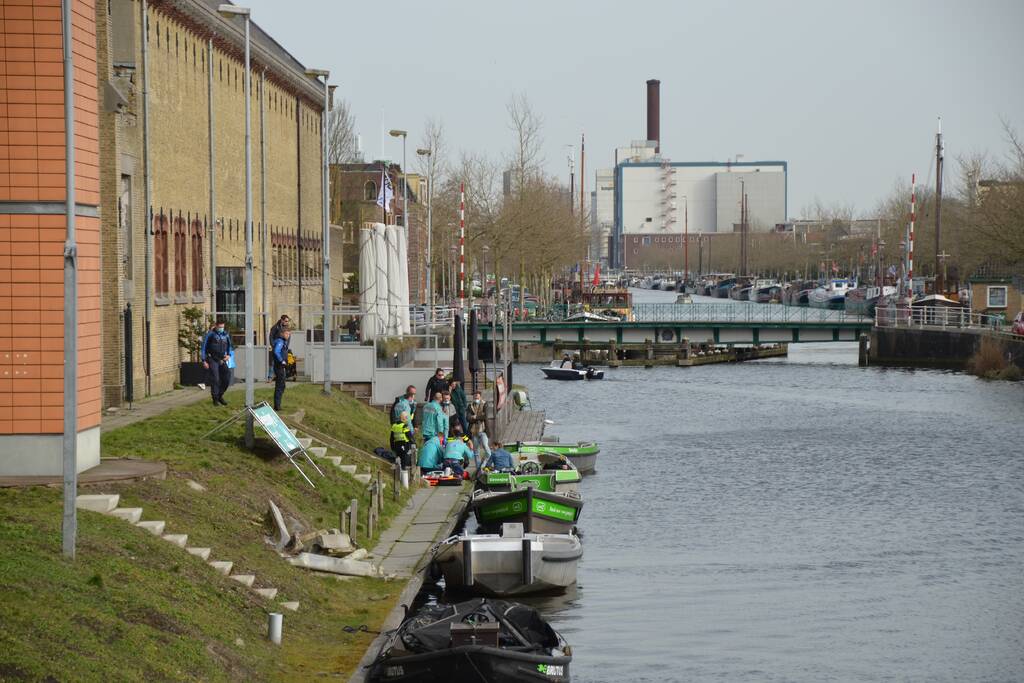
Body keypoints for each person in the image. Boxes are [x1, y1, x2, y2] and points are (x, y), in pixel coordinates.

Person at [201, 319, 234, 406]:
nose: (221, 328)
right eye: (220, 327)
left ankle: (220, 395)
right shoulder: (210, 334)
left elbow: (230, 346)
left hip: (222, 359)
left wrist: (229, 355)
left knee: (227, 377)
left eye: (223, 327)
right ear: (216, 326)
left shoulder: (226, 335)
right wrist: (204, 360)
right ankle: (215, 399)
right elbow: (204, 347)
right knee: (215, 379)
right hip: (212, 359)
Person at [467, 390, 491, 467]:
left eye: (477, 395)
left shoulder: (485, 404)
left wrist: (475, 417)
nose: (476, 396)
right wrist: (479, 417)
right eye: (474, 395)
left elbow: (485, 416)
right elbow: (468, 418)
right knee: (476, 451)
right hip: (474, 431)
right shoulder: (470, 405)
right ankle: (478, 468)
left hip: (483, 430)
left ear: (480, 396)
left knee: (486, 449)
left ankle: (484, 464)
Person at [271, 329, 291, 411]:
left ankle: (278, 404)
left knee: (282, 385)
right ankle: (277, 406)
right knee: (280, 386)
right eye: (286, 334)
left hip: (282, 366)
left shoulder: (283, 342)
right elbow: (276, 351)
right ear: (282, 334)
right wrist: (281, 360)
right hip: (279, 366)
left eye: (289, 334)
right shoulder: (280, 342)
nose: (288, 335)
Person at [268, 314, 290, 381]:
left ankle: (282, 376)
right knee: (273, 361)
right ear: (281, 320)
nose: (287, 322)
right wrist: (272, 345)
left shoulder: (286, 327)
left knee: (282, 361)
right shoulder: (275, 327)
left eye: (287, 321)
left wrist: (287, 346)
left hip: (283, 347)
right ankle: (270, 377)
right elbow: (271, 336)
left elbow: (288, 338)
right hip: (276, 346)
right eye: (286, 321)